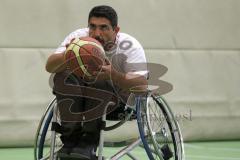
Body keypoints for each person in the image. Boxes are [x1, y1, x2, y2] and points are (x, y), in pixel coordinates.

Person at [46, 5, 147, 160]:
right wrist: (67, 55)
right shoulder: (79, 38)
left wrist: (114, 75)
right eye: (92, 27)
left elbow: (142, 86)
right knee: (62, 76)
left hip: (118, 100)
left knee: (98, 78)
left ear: (116, 30)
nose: (96, 33)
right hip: (80, 96)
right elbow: (49, 66)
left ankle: (88, 142)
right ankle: (70, 139)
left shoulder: (130, 46)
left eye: (104, 28)